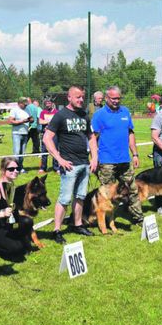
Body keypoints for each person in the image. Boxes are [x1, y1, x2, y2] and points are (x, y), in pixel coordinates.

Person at [43, 85, 97, 244]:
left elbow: (91, 137)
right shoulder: (60, 116)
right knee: (65, 199)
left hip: (84, 164)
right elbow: (47, 138)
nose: (81, 100)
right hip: (69, 166)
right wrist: (59, 159)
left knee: (80, 196)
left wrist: (94, 158)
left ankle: (77, 224)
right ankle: (57, 230)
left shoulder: (84, 115)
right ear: (69, 97)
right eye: (78, 97)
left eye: (82, 97)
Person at [90, 86, 145, 227]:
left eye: (118, 98)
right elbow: (92, 138)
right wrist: (94, 158)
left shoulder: (125, 112)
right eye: (113, 98)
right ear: (106, 98)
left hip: (125, 160)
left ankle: (139, 219)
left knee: (132, 190)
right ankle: (106, 222)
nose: (116, 101)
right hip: (106, 161)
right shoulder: (99, 115)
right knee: (107, 195)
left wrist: (135, 154)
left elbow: (130, 133)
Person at [7, 97, 32, 173]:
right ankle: (15, 169)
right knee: (17, 152)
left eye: (26, 104)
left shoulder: (27, 109)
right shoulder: (14, 110)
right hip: (17, 134)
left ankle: (21, 168)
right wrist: (22, 121)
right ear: (19, 103)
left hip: (25, 133)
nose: (25, 106)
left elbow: (31, 118)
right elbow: (10, 121)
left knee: (23, 153)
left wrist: (31, 119)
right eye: (24, 104)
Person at [38, 98, 59, 174]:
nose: (47, 104)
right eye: (46, 103)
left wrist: (47, 123)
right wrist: (50, 121)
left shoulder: (57, 112)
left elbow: (58, 122)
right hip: (45, 134)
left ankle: (56, 167)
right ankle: (43, 167)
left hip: (54, 135)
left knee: (55, 150)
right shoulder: (43, 112)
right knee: (44, 151)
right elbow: (40, 121)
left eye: (49, 103)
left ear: (52, 103)